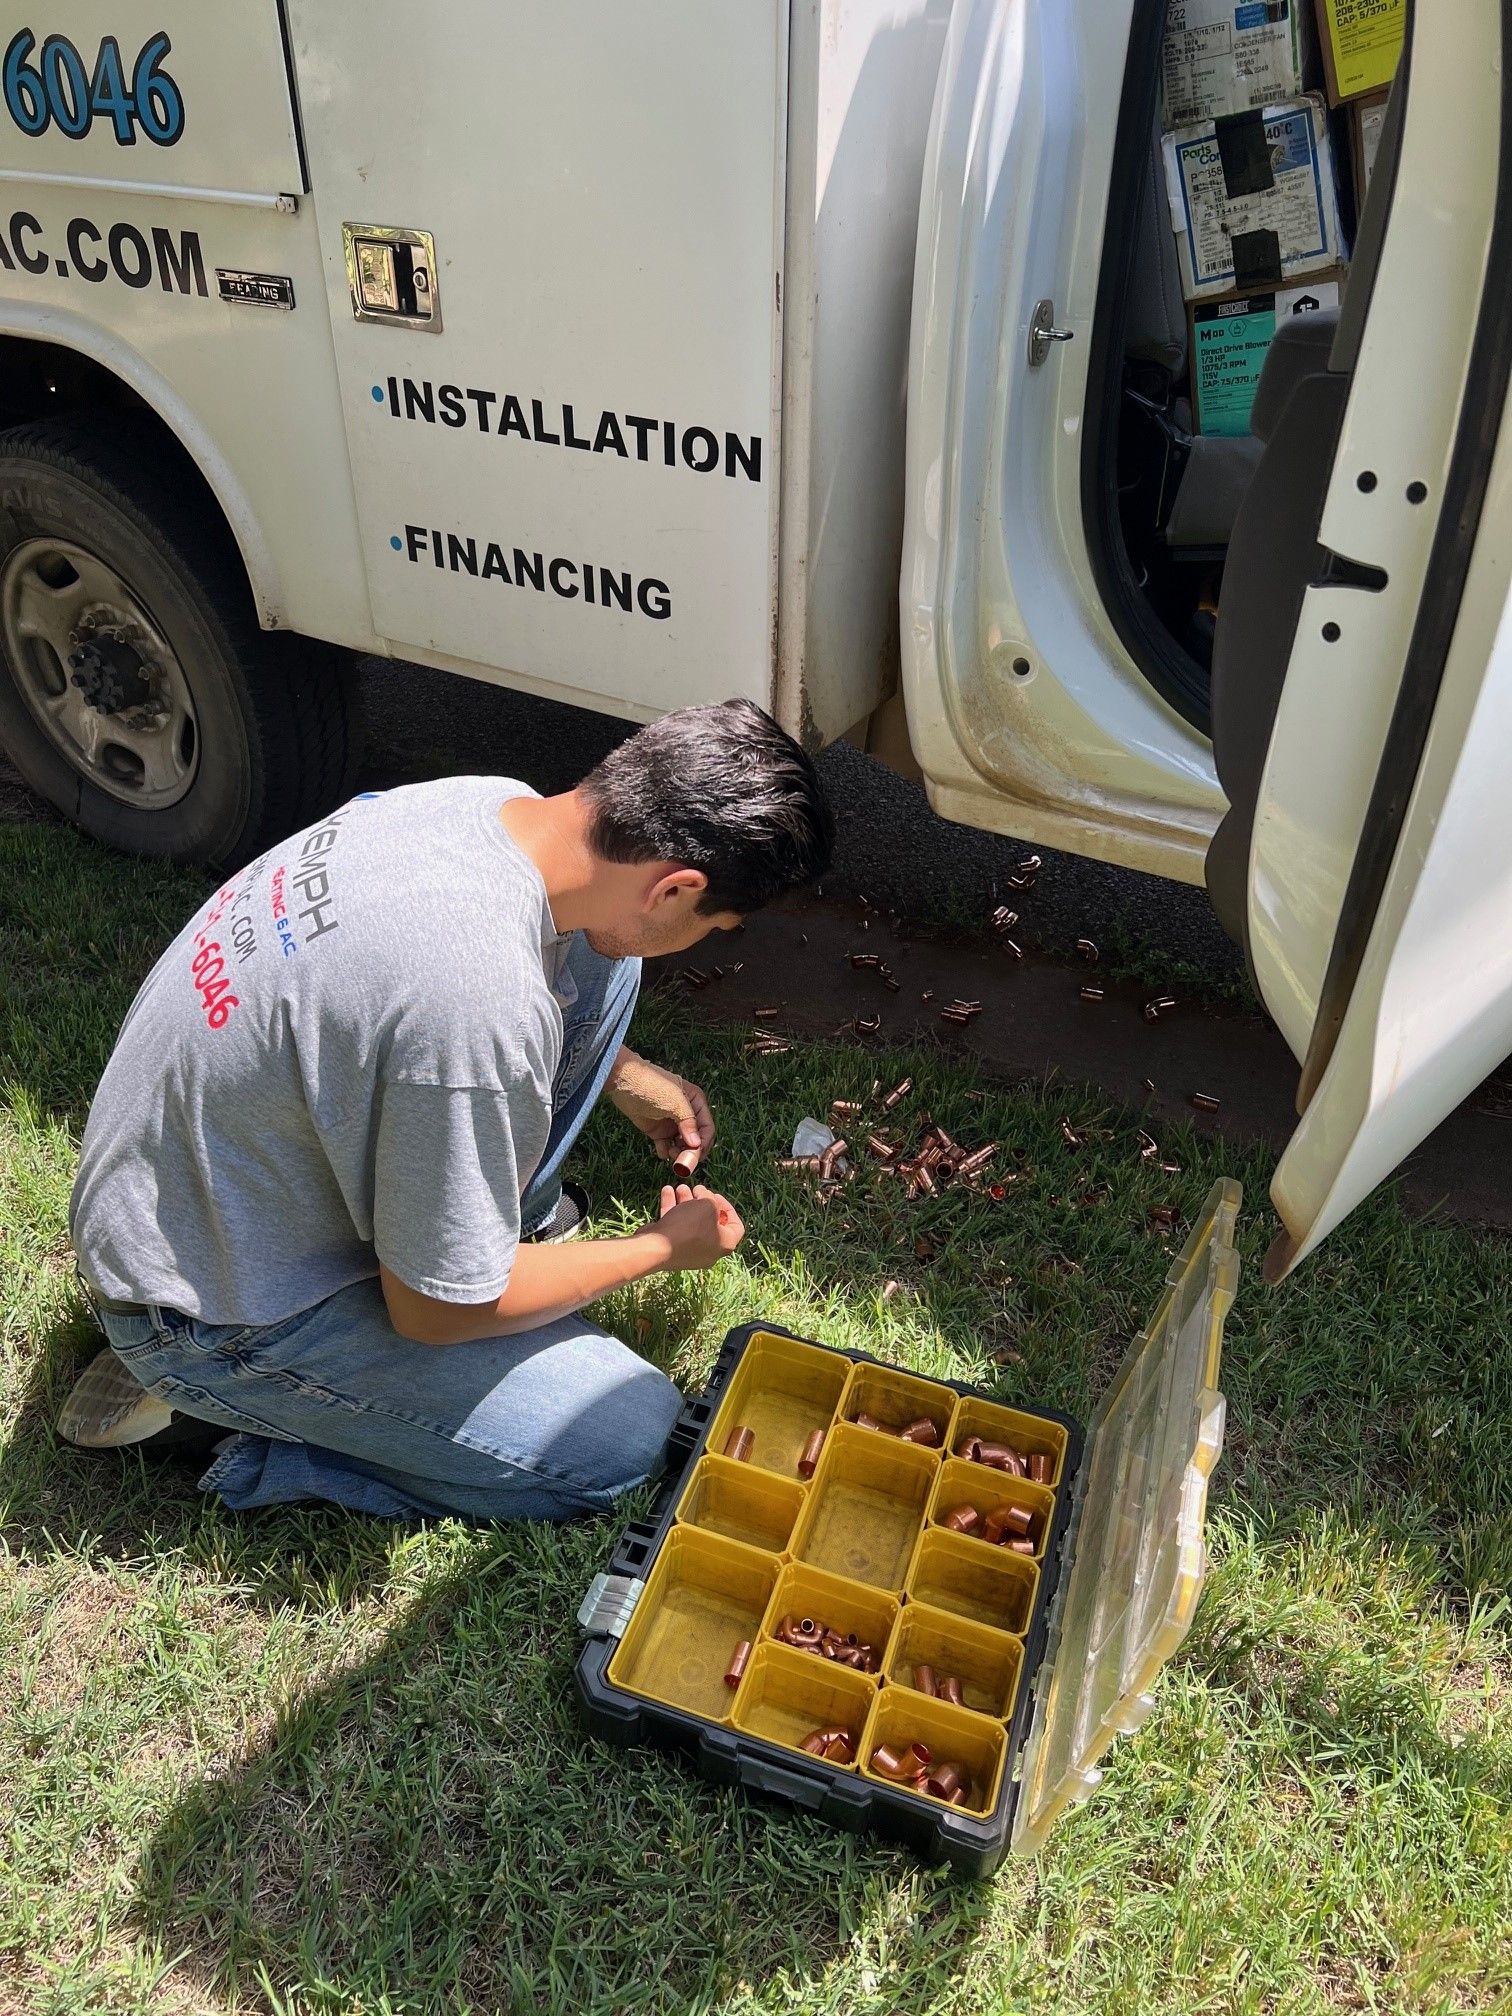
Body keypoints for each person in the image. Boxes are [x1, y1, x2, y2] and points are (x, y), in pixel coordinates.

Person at [60, 699, 834, 1521]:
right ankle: (220, 1416)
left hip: (194, 1193)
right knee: (622, 1440)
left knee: (608, 968)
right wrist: (654, 1248)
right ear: (676, 886)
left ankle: (479, 1234)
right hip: (207, 1307)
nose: (706, 936)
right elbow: (435, 1312)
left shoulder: (483, 803)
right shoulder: (476, 1006)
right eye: (713, 921)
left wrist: (620, 1070)